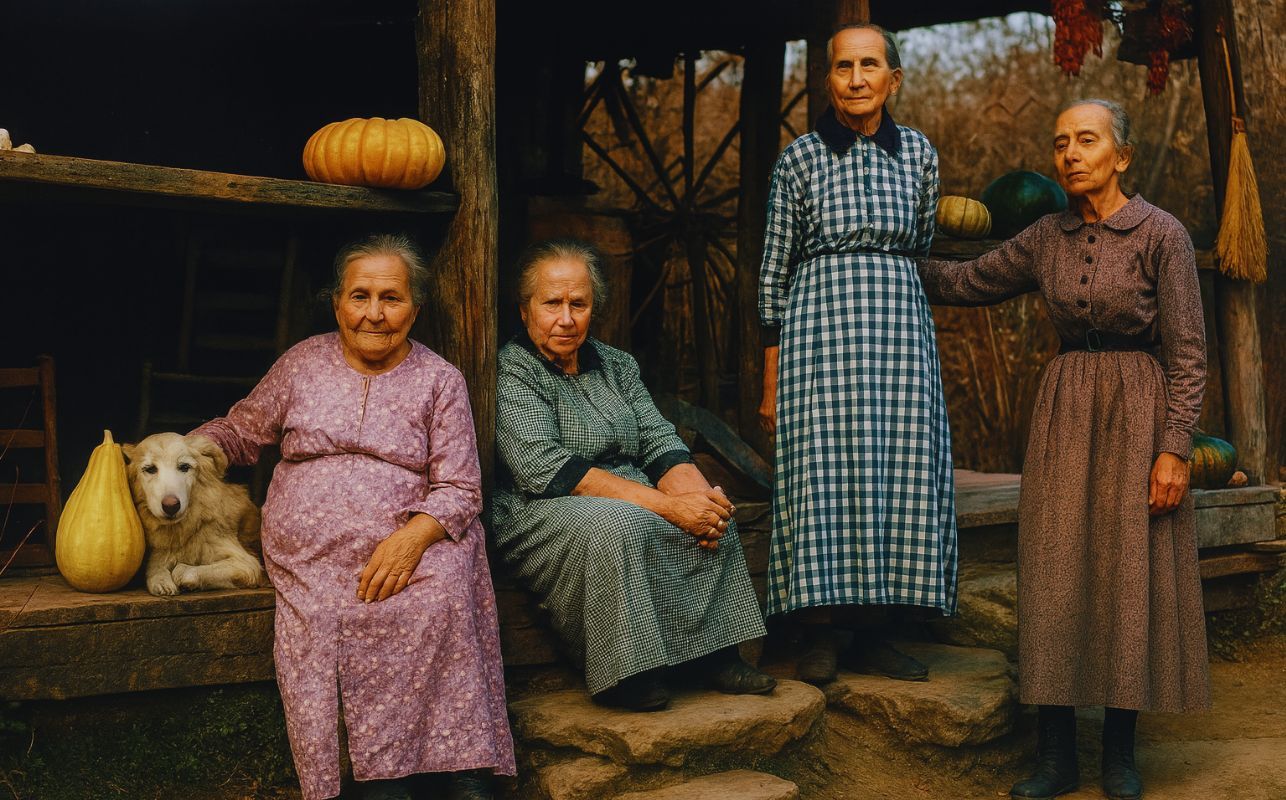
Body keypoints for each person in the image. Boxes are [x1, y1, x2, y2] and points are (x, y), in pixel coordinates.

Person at [917, 99, 1210, 800]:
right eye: (1061, 143)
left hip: (1139, 404)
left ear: (1122, 156)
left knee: (1125, 569)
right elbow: (967, 281)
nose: (1070, 154)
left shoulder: (1161, 235)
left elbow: (1191, 352)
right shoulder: (1044, 236)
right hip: (1064, 406)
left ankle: (1118, 754)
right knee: (1052, 567)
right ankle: (1055, 757)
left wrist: (1175, 449)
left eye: (1086, 140)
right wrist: (878, 259)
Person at [192, 234, 515, 800]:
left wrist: (413, 537)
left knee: (438, 595)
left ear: (415, 308)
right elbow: (241, 431)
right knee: (328, 617)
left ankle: (453, 765)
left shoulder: (440, 380)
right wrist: (182, 449)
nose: (373, 313)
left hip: (411, 533)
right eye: (359, 295)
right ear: (337, 303)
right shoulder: (301, 364)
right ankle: (376, 777)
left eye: (390, 298)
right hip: (311, 553)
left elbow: (461, 486)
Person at [491, 238, 774, 711]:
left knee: (711, 505)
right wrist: (669, 506)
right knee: (624, 525)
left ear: (592, 308)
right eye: (552, 303)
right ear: (525, 311)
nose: (566, 318)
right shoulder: (512, 369)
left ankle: (714, 653)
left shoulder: (617, 364)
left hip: (623, 486)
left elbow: (660, 441)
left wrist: (700, 501)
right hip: (543, 503)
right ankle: (630, 672)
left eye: (578, 304)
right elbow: (545, 468)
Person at [758, 23, 955, 685]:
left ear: (893, 79)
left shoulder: (920, 155)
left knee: (895, 470)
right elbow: (772, 274)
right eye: (844, 66)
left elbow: (922, 244)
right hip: (818, 333)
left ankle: (875, 633)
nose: (857, 78)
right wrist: (771, 380)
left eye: (870, 65)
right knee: (821, 471)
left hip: (899, 331)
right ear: (829, 79)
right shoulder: (801, 160)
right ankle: (821, 632)